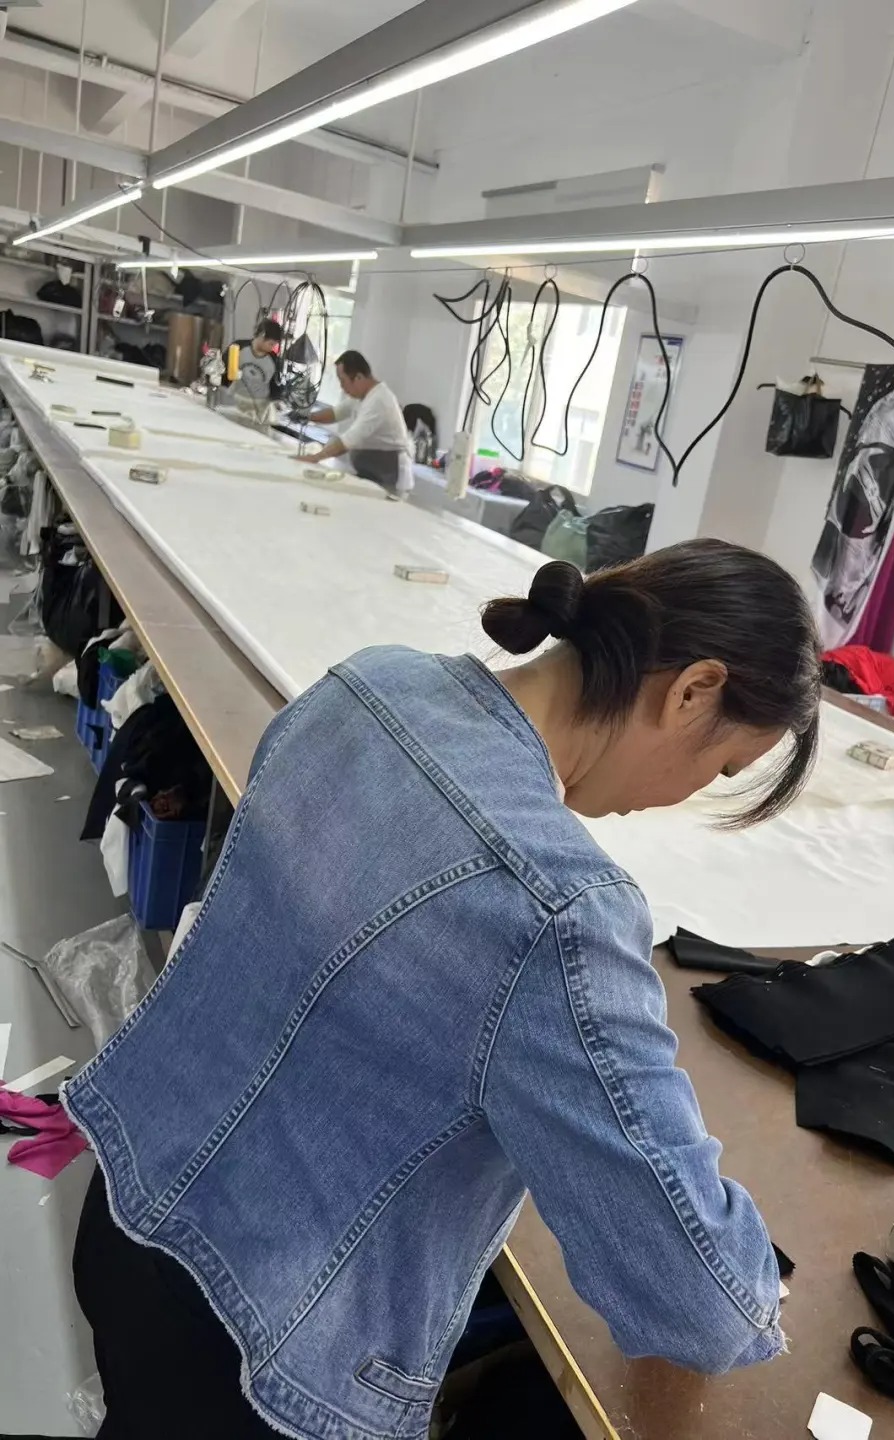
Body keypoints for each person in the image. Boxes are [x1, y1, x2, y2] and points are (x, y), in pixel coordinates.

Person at [61, 540, 821, 1440]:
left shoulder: (369, 685)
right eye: (722, 767)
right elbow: (699, 1304)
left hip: (126, 1209)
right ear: (693, 690)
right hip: (265, 1352)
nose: (691, 793)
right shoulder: (563, 909)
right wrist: (750, 1264)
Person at [302, 349, 414, 496]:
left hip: (389, 477)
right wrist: (307, 417)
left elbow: (349, 440)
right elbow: (335, 413)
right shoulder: (361, 396)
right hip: (371, 472)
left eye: (343, 381)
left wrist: (314, 458)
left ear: (359, 377)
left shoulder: (379, 401)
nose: (342, 387)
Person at [224, 318, 283, 407]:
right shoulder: (238, 348)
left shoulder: (274, 360)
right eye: (271, 344)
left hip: (259, 406)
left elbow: (275, 386)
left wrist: (277, 401)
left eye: (274, 345)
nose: (272, 348)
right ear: (262, 335)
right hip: (233, 402)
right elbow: (222, 371)